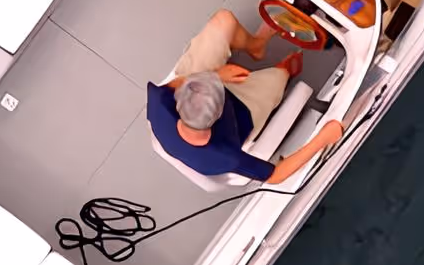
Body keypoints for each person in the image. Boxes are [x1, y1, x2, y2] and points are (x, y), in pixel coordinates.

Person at [146, 9, 345, 184]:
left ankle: (256, 46)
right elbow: (275, 176)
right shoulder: (224, 155)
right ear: (220, 112)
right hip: (242, 114)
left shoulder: (159, 105)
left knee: (224, 20)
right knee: (280, 75)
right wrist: (323, 138)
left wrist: (215, 75)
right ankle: (284, 72)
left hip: (201, 83)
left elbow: (174, 84)